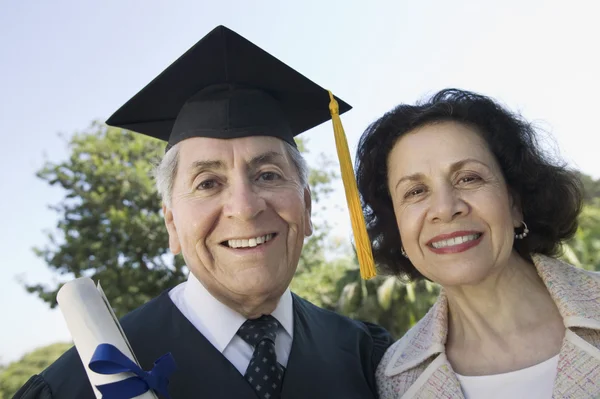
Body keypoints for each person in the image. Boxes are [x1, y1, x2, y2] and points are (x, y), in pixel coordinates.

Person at [15, 25, 393, 399]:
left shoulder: (373, 362)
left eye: (267, 175)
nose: (244, 208)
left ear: (306, 208)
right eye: (208, 183)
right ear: (172, 224)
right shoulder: (83, 382)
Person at [354, 88, 600, 398]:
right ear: (397, 228)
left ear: (515, 202)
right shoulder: (397, 379)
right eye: (415, 192)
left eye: (468, 178)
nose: (445, 208)